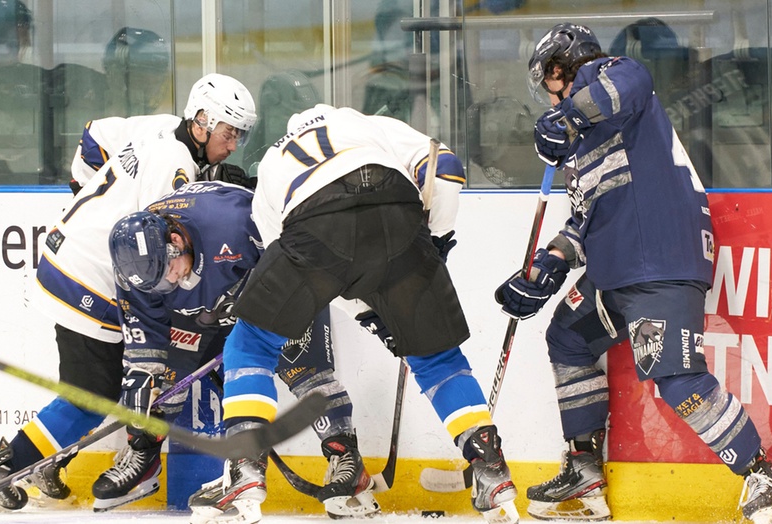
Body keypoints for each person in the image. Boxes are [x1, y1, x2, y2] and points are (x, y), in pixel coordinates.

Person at [495, 22, 772, 522]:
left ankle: (761, 478)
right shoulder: (590, 142)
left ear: (558, 69)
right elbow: (584, 218)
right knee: (568, 339)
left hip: (656, 258)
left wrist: (569, 116)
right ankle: (585, 472)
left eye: (548, 83)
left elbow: (631, 81)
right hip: (620, 267)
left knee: (676, 374)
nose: (548, 97)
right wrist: (548, 263)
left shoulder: (610, 75)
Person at [185, 104, 520, 524]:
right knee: (436, 358)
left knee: (250, 343)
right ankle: (491, 469)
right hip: (398, 211)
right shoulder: (365, 124)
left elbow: (307, 271)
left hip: (313, 218)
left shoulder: (274, 158)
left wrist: (364, 308)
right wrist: (433, 240)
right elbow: (446, 167)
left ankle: (245, 471)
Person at [0, 73, 258, 511]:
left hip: (66, 255)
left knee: (96, 383)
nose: (233, 144)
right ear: (201, 121)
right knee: (95, 392)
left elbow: (94, 136)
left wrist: (94, 207)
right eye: (227, 132)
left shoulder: (156, 126)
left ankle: (50, 458)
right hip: (93, 278)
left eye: (239, 134)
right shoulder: (175, 170)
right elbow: (163, 255)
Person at [103, 181, 377, 517]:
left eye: (168, 272)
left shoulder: (234, 223)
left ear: (176, 241)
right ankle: (143, 453)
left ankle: (345, 458)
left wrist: (256, 297)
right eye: (159, 283)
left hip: (275, 289)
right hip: (201, 310)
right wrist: (141, 373)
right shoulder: (136, 265)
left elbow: (299, 256)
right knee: (159, 378)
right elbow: (144, 326)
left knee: (303, 368)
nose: (169, 283)